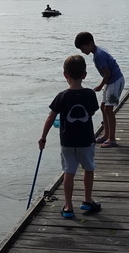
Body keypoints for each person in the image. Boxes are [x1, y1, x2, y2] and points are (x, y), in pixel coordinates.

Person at [39, 54, 101, 219]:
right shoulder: (90, 94)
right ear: (85, 74)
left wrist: (43, 137)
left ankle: (68, 207)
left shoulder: (62, 96)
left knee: (68, 172)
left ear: (65, 74)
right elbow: (93, 111)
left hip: (67, 142)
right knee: (88, 169)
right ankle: (87, 200)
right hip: (86, 141)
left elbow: (51, 117)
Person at [74, 31, 123, 148]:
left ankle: (112, 139)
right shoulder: (97, 52)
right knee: (103, 107)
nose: (82, 51)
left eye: (82, 48)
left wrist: (100, 86)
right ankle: (106, 135)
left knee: (108, 109)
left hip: (115, 80)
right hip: (111, 81)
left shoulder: (99, 55)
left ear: (90, 43)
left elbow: (107, 73)